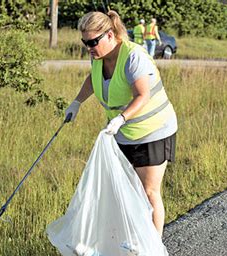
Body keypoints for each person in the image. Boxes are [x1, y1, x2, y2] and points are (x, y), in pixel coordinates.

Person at [65, 10, 177, 237]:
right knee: (126, 192)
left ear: (109, 35)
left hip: (153, 131)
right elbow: (93, 79)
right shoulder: (98, 57)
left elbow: (142, 95)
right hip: (123, 133)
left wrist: (121, 118)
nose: (89, 47)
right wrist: (77, 102)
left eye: (93, 42)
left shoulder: (133, 56)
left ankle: (154, 250)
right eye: (85, 42)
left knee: (148, 191)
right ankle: (133, 242)